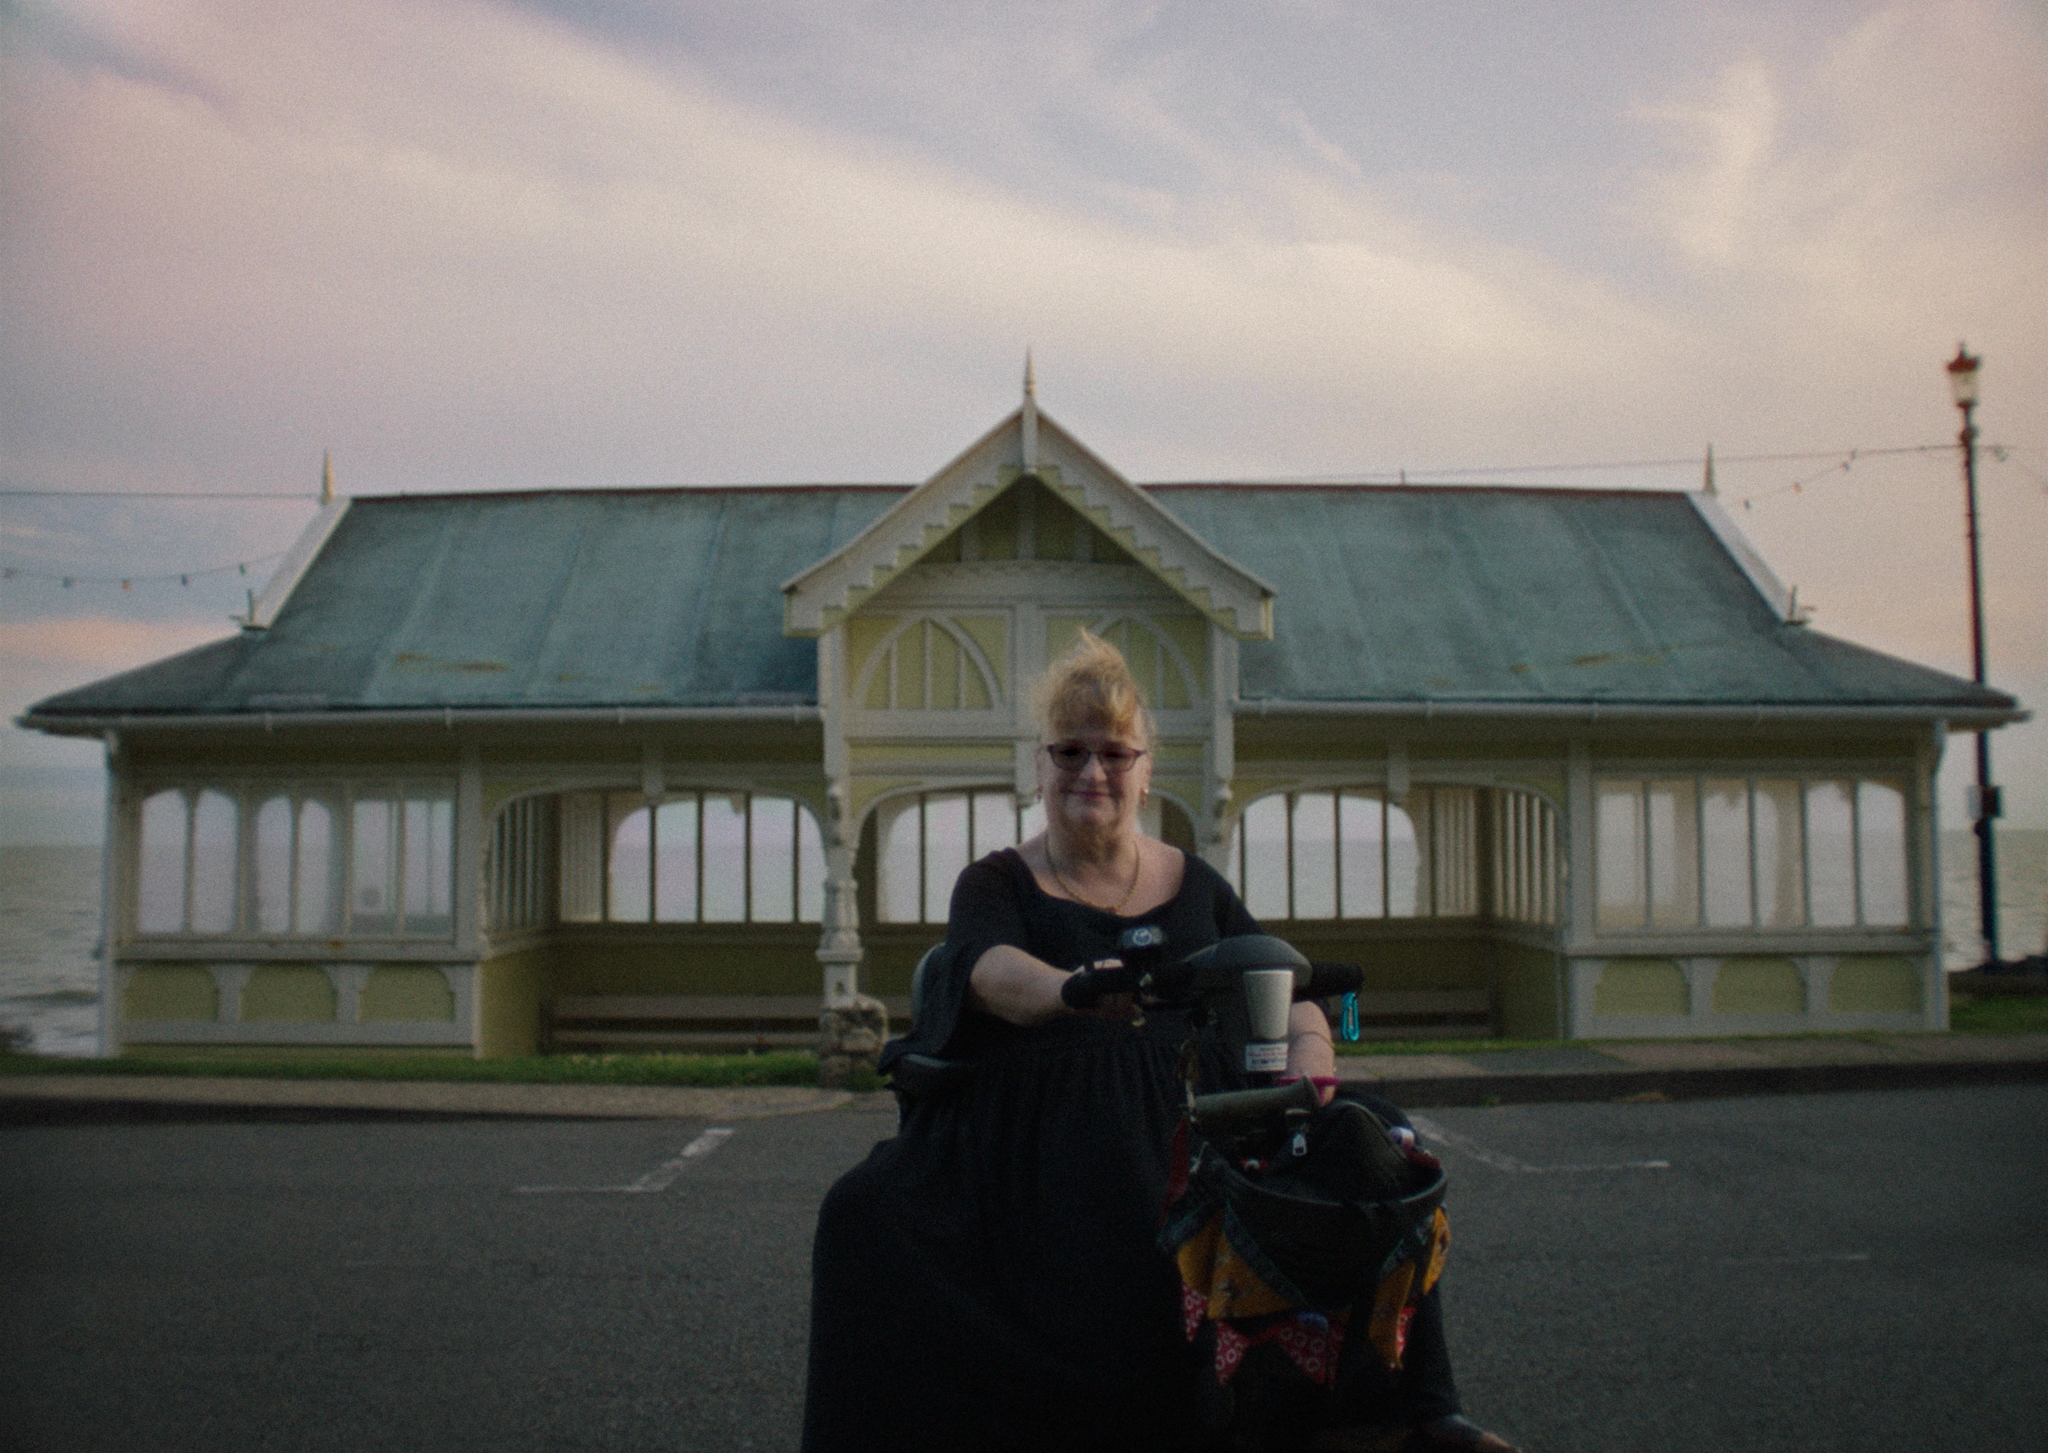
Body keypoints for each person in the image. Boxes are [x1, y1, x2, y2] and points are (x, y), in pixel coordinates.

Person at [803, 632, 1516, 1453]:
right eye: (1069, 750)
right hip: (1038, 1123)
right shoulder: (996, 881)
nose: (1091, 771)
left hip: (1199, 1111)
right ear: (1038, 765)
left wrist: (1309, 1074)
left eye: (1113, 752)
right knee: (860, 1210)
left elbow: (1287, 986)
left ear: (1146, 767)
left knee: (1380, 1139)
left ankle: (1426, 1408)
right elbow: (987, 969)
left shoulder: (1197, 884)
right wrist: (1070, 988)